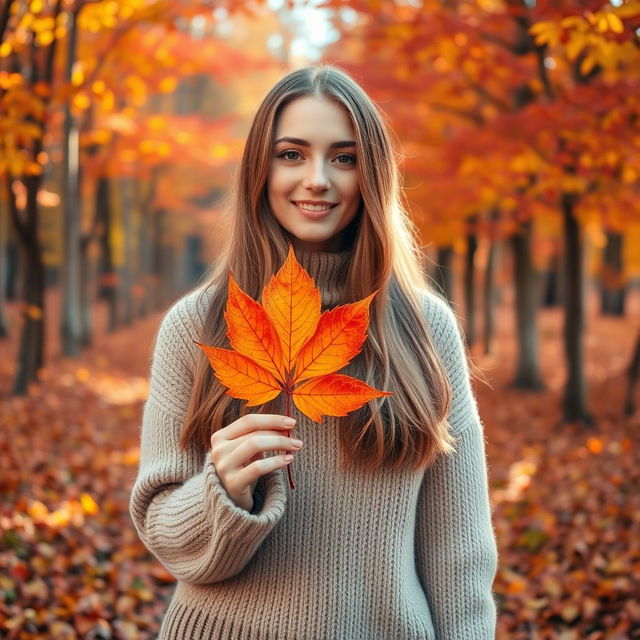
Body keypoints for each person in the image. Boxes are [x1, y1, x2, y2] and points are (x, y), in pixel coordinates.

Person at [129, 63, 498, 640]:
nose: (318, 179)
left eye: (344, 158)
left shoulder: (425, 330)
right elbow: (166, 536)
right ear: (261, 168)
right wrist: (221, 491)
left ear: (371, 175)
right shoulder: (196, 327)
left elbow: (461, 554)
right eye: (292, 154)